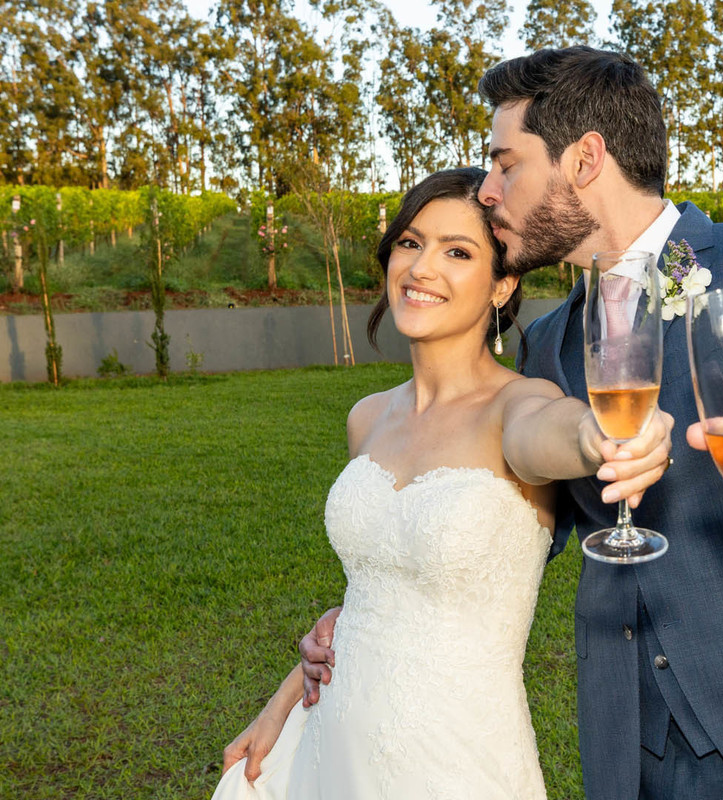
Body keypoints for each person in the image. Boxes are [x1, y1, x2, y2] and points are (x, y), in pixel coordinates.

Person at [301, 47, 723, 799]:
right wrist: (377, 606)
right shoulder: (548, 345)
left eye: (506, 164)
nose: (489, 188)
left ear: (584, 159)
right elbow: (497, 519)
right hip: (630, 741)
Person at [212, 166, 672, 799]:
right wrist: (282, 703)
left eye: (457, 252)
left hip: (456, 759)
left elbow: (554, 432)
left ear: (502, 283)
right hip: (330, 742)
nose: (422, 268)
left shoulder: (519, 404)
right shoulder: (367, 417)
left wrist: (599, 436)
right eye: (410, 242)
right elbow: (373, 595)